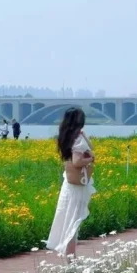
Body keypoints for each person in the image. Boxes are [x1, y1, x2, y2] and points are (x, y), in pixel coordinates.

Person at [46, 107, 94, 259]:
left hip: (69, 183)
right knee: (73, 223)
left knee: (67, 220)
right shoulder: (77, 139)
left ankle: (69, 257)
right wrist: (91, 159)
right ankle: (70, 259)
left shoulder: (67, 136)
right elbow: (77, 161)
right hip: (77, 188)